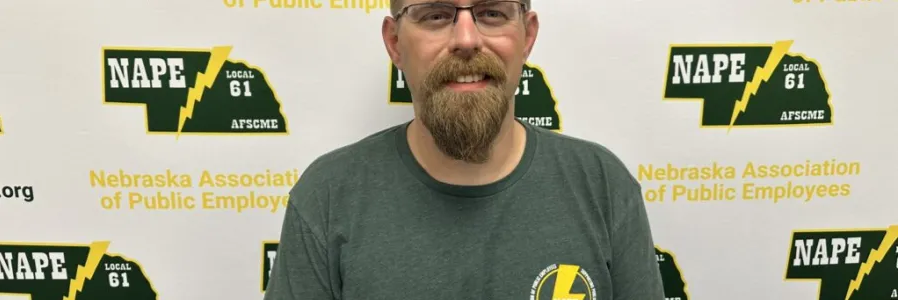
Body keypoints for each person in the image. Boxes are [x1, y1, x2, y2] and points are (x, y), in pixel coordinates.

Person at [263, 0, 666, 299]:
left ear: (527, 36)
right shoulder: (329, 196)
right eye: (436, 15)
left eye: (492, 13)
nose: (467, 40)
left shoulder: (602, 185)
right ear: (395, 43)